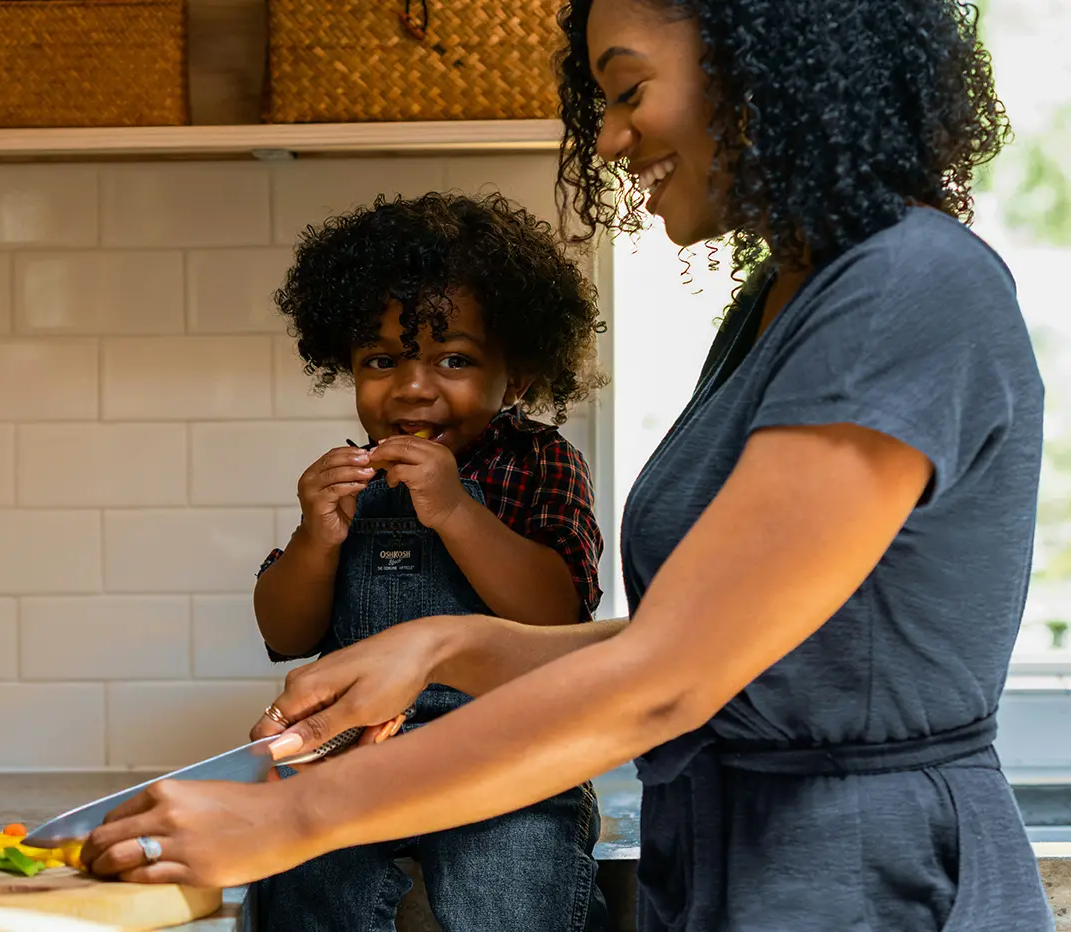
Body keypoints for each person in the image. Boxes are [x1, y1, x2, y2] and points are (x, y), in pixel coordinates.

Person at [80, 0, 1053, 929]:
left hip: (866, 883)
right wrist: (446, 645)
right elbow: (704, 642)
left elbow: (669, 679)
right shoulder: (780, 301)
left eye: (628, 91)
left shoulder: (905, 287)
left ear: (759, 69)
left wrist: (291, 817)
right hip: (739, 869)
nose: (611, 140)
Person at [246, 191, 607, 932]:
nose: (412, 387)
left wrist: (456, 512)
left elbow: (560, 613)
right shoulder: (352, 477)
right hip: (354, 750)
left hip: (509, 753)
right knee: (303, 879)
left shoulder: (541, 460)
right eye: (381, 360)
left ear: (522, 374)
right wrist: (316, 540)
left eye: (455, 359)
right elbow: (285, 631)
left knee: (512, 877)